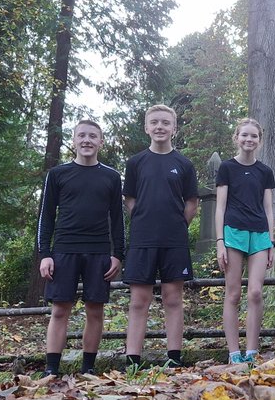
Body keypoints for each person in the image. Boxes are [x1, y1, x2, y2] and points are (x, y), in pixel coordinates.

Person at [37, 119, 124, 376]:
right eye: (82, 136)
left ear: (101, 141)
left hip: (98, 252)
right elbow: (46, 216)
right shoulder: (57, 175)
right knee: (60, 309)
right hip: (64, 250)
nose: (87, 140)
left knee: (95, 310)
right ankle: (51, 369)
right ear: (74, 141)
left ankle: (88, 368)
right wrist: (45, 255)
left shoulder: (111, 177)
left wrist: (118, 254)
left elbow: (118, 219)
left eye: (92, 136)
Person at [122, 105, 199, 369]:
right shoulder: (135, 163)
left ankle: (174, 357)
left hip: (174, 240)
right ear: (146, 127)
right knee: (139, 300)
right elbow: (130, 199)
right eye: (154, 122)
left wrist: (176, 225)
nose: (159, 127)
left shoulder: (184, 164)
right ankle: (133, 359)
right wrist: (145, 220)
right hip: (142, 239)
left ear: (174, 128)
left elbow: (191, 203)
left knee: (173, 297)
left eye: (165, 123)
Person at [215, 118, 275, 363]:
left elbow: (269, 208)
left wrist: (271, 241)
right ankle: (234, 353)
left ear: (259, 141)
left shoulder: (265, 171)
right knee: (233, 294)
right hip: (233, 232)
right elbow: (220, 207)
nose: (249, 140)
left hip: (260, 234)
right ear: (237, 138)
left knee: (255, 292)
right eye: (245, 135)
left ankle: (251, 351)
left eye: (254, 136)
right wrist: (220, 240)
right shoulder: (227, 168)